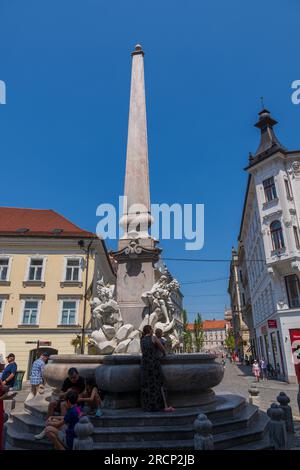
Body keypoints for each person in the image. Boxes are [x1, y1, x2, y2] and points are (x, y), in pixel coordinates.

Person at [35, 367, 85, 440]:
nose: (73, 380)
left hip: (75, 402)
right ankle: (47, 423)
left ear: (78, 374)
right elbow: (61, 395)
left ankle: (58, 426)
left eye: (74, 377)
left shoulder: (82, 381)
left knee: (63, 405)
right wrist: (67, 392)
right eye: (71, 378)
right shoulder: (67, 381)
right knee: (52, 404)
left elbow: (83, 395)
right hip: (67, 401)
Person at [140, 325, 175, 412]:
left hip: (145, 364)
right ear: (150, 330)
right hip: (153, 363)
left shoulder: (142, 340)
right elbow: (162, 349)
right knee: (158, 384)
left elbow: (143, 351)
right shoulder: (153, 338)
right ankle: (162, 406)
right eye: (152, 329)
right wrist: (164, 354)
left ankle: (148, 406)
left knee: (147, 385)